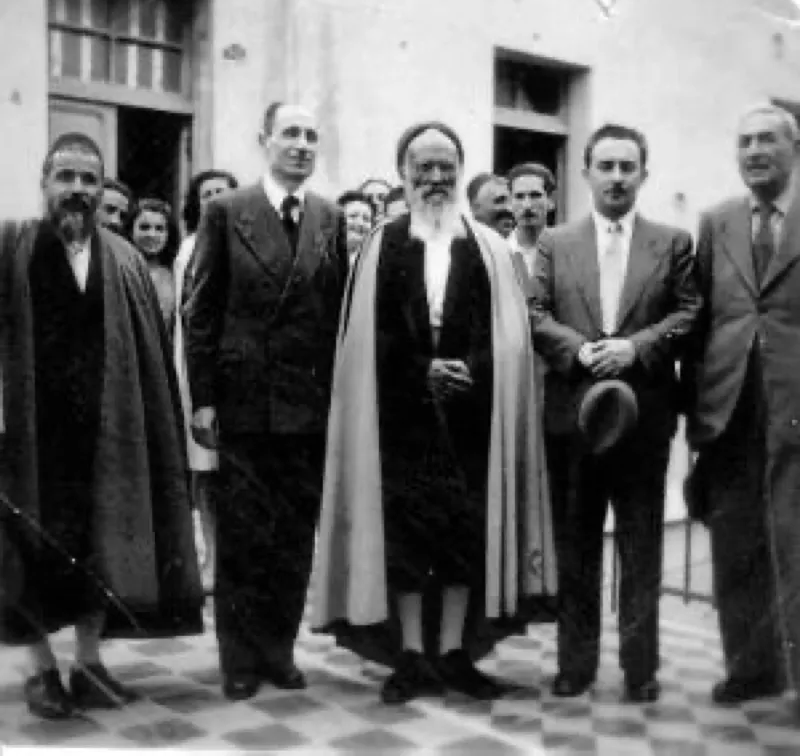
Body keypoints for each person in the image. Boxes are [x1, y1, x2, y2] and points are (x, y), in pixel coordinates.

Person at [312, 121, 557, 706]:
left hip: (475, 411)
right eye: (424, 166)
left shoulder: (490, 248)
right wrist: (422, 369)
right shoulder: (382, 244)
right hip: (400, 413)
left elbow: (508, 335)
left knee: (463, 535)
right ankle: (412, 655)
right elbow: (371, 336)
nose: (437, 177)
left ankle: (452, 654)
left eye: (447, 164)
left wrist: (469, 367)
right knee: (404, 539)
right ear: (404, 173)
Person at [0, 132, 203, 721]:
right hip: (29, 439)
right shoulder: (12, 247)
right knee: (23, 556)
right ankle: (41, 671)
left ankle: (88, 666)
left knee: (100, 549)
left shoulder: (124, 259)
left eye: (89, 179)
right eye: (66, 177)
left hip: (106, 437)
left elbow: (147, 356)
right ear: (44, 184)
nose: (78, 191)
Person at [530, 123, 700, 702]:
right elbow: (534, 312)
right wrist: (578, 350)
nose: (617, 178)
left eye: (628, 167)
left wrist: (637, 347)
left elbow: (688, 314)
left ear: (644, 175)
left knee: (640, 545)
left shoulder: (672, 242)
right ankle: (574, 664)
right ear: (586, 173)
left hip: (643, 420)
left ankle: (640, 667)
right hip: (573, 417)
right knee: (576, 547)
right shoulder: (556, 242)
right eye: (606, 166)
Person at [185, 102, 348, 701]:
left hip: (306, 407)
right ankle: (238, 657)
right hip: (245, 403)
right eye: (290, 134)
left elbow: (335, 317)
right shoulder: (227, 212)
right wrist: (203, 398)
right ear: (264, 141)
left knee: (293, 536)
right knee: (244, 537)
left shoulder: (328, 218)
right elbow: (200, 311)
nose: (302, 144)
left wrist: (336, 399)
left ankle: (279, 651)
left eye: (311, 135)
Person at [682, 102, 800, 706]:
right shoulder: (717, 221)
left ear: (793, 148)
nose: (754, 151)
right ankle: (752, 670)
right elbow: (700, 323)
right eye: (745, 140)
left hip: (795, 408)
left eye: (767, 140)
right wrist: (696, 421)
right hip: (729, 409)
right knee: (735, 546)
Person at [174, 169, 239, 592]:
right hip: (197, 370)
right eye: (206, 195)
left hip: (238, 372)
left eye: (222, 193)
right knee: (205, 472)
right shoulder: (187, 250)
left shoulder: (248, 245)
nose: (214, 200)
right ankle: (213, 558)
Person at [125, 198, 180, 331]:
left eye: (159, 229)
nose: (151, 234)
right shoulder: (120, 270)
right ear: (131, 230)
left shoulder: (177, 273)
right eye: (144, 227)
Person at [507, 163, 556, 295]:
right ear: (509, 203)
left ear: (551, 201)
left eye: (535, 195)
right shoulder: (499, 252)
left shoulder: (563, 253)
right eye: (519, 196)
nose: (527, 205)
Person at [466, 173, 515, 238]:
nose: (509, 208)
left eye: (511, 201)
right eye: (499, 201)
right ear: (476, 208)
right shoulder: (463, 244)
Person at [338, 189, 376, 265]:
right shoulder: (321, 259)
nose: (360, 223)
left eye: (366, 219)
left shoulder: (375, 264)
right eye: (353, 216)